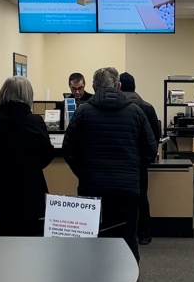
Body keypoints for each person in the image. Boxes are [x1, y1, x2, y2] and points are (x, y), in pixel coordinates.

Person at [63, 67, 157, 262]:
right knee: (127, 242)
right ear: (119, 86)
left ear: (94, 87)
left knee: (92, 241)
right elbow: (150, 149)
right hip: (127, 189)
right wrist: (133, 171)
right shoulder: (136, 112)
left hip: (92, 187)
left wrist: (83, 173)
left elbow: (69, 150)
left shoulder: (82, 113)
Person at [0, 76, 55, 236]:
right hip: (28, 194)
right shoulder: (35, 121)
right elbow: (47, 154)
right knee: (29, 245)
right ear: (28, 96)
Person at [118, 72, 161, 246]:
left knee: (120, 198)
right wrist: (148, 158)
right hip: (140, 160)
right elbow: (155, 136)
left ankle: (123, 232)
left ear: (119, 86)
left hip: (121, 159)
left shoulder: (119, 106)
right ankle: (144, 233)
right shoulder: (147, 107)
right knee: (141, 196)